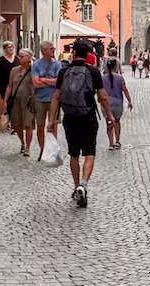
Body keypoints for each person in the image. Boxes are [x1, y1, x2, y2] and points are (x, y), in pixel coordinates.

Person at [47, 40, 111, 207]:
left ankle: (76, 186)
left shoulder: (64, 71)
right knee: (90, 152)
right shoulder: (94, 71)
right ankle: (83, 184)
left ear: (73, 53)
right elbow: (102, 96)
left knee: (73, 154)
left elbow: (56, 97)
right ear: (88, 55)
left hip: (70, 117)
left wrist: (51, 120)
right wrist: (109, 116)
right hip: (88, 116)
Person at [30, 41, 62, 160]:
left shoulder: (57, 64)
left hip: (54, 98)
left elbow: (59, 82)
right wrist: (51, 81)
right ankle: (43, 150)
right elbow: (35, 83)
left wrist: (43, 80)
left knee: (53, 125)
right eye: (51, 49)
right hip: (40, 99)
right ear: (44, 51)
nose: (53, 50)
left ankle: (53, 150)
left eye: (53, 48)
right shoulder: (37, 65)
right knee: (40, 125)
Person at [5, 49, 37, 156]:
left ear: (28, 58)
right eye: (19, 56)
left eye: (21, 56)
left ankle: (28, 147)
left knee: (28, 124)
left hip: (29, 101)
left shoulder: (34, 70)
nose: (19, 58)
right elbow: (10, 85)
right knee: (17, 124)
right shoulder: (14, 70)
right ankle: (22, 143)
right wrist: (6, 100)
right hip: (16, 101)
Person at [102, 57, 132, 150]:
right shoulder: (120, 77)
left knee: (109, 123)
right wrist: (129, 101)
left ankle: (111, 143)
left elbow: (100, 91)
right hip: (118, 104)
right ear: (115, 66)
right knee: (117, 122)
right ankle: (117, 141)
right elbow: (124, 89)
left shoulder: (102, 78)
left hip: (106, 104)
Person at [0, 41, 16, 132]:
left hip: (16, 85)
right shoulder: (1, 60)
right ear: (5, 49)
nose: (11, 49)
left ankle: (12, 123)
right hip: (4, 85)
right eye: (9, 47)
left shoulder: (17, 59)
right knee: (8, 103)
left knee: (14, 103)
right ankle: (10, 122)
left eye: (12, 47)